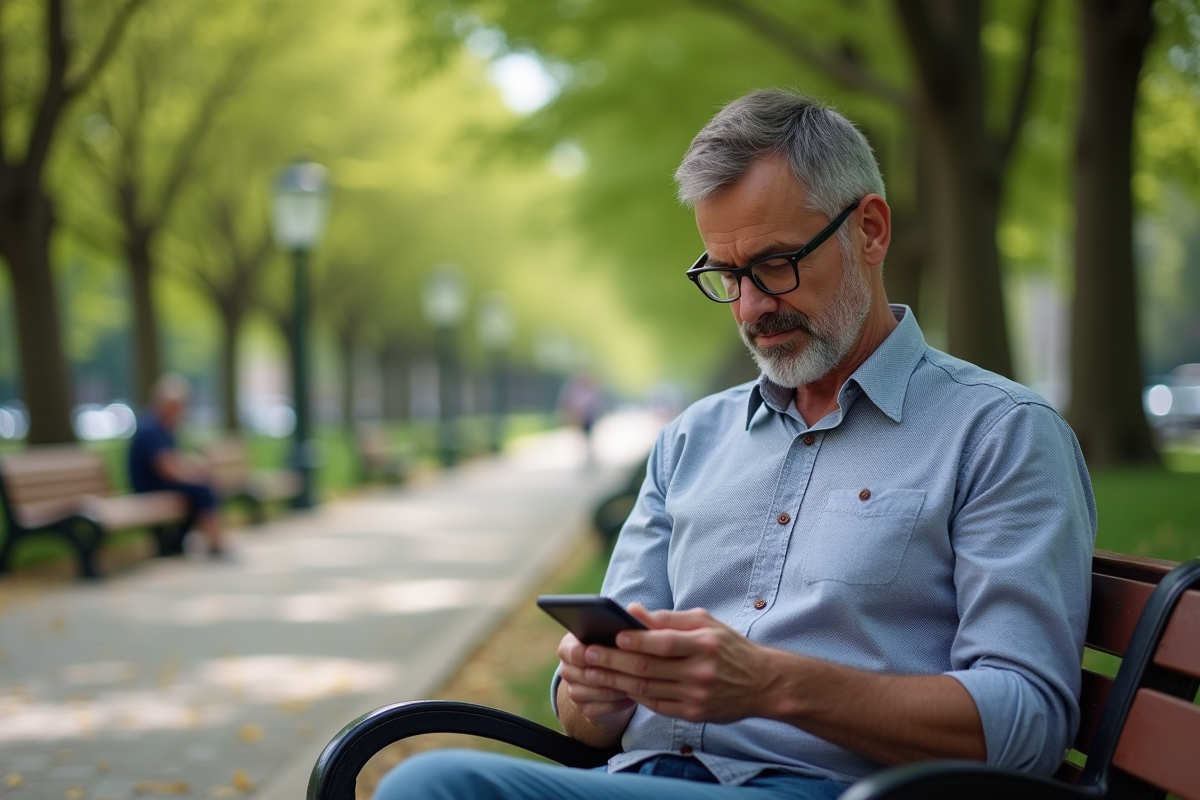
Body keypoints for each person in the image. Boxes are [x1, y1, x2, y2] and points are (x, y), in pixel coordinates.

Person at [376, 90, 1096, 800]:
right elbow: (586, 721)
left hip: (834, 791)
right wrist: (594, 691)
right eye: (727, 275)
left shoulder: (999, 433)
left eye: (776, 264)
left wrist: (774, 685)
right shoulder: (690, 440)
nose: (751, 308)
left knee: (430, 787)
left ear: (871, 231)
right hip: (641, 779)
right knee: (430, 781)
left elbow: (1027, 724)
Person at [128, 374, 230, 557]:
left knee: (204, 486)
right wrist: (196, 477)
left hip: (159, 484)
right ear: (161, 404)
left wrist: (197, 469)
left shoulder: (165, 427)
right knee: (202, 489)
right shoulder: (151, 429)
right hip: (148, 488)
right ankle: (216, 543)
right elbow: (166, 469)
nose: (181, 411)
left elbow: (174, 459)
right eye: (176, 406)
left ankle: (180, 541)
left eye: (182, 406)